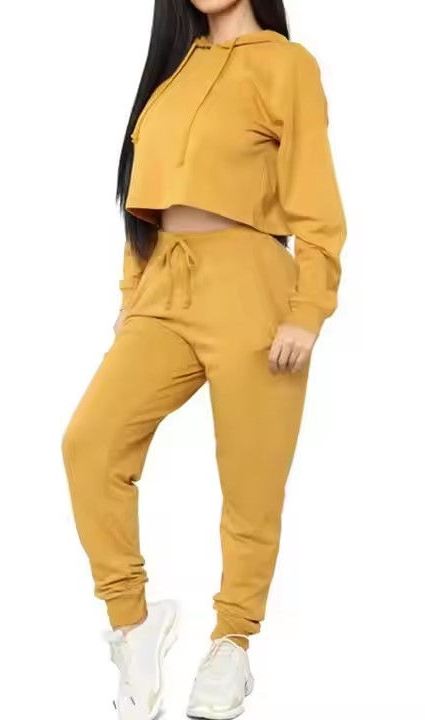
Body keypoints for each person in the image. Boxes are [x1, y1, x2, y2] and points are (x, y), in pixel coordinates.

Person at [61, 1, 346, 717]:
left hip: (252, 284)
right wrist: (132, 296)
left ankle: (232, 644)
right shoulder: (172, 73)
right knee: (90, 443)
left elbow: (316, 199)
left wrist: (308, 309)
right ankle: (133, 623)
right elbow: (141, 203)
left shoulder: (286, 65)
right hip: (165, 283)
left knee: (251, 480)